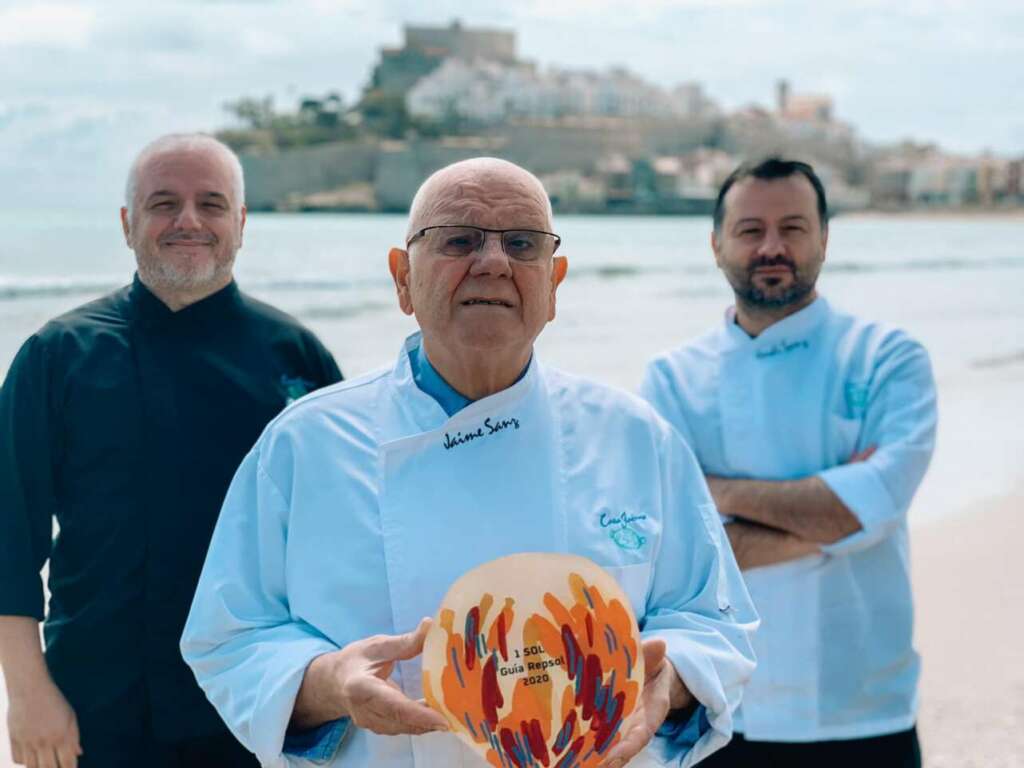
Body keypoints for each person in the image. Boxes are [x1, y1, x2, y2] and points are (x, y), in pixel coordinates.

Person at [181, 157, 758, 767]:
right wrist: (329, 686)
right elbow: (229, 638)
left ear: (554, 282)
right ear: (402, 278)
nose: (492, 262)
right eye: (458, 240)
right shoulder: (304, 445)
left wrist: (668, 684)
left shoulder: (637, 438)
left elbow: (715, 621)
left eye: (521, 243)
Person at [0, 133, 342, 768]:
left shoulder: (297, 358)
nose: (188, 221)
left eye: (211, 204)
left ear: (240, 224)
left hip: (256, 706)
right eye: (163, 204)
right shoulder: (57, 356)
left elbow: (343, 538)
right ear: (128, 224)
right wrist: (26, 694)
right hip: (94, 706)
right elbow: (8, 537)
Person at [640, 157, 937, 767]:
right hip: (721, 712)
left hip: (865, 707)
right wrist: (833, 510)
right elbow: (675, 549)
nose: (771, 247)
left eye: (793, 228)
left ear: (824, 239)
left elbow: (870, 505)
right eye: (750, 230)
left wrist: (710, 490)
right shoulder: (671, 380)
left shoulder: (887, 358)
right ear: (716, 243)